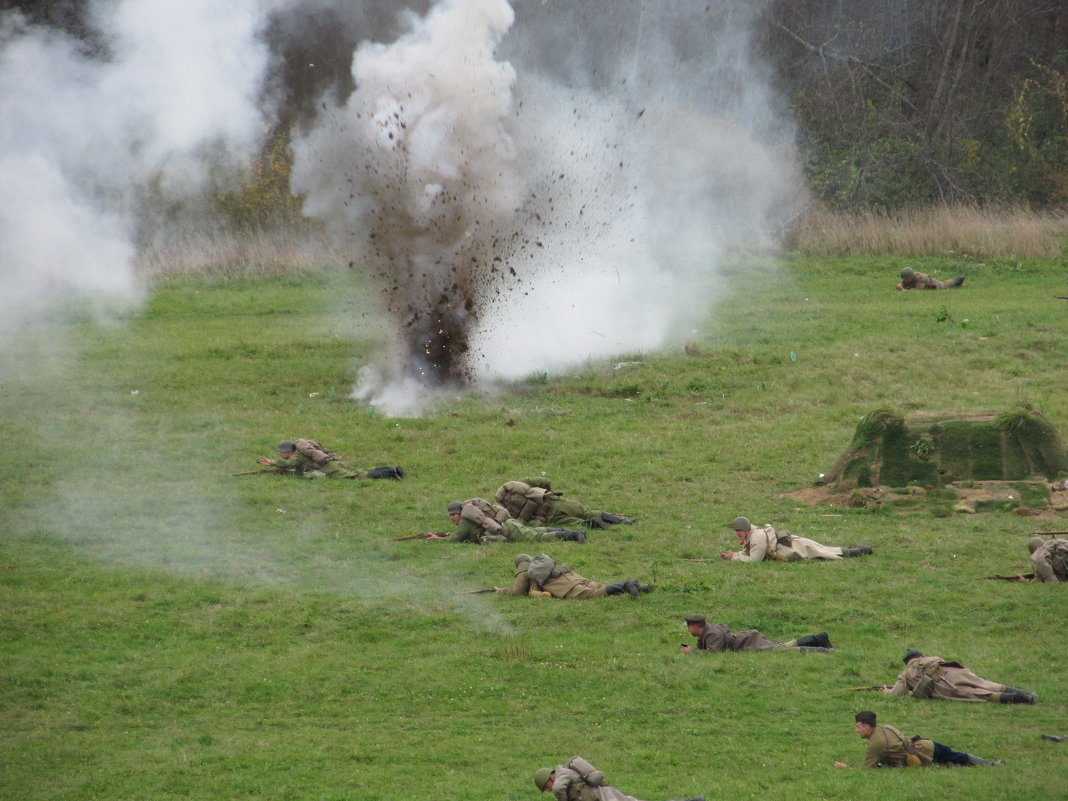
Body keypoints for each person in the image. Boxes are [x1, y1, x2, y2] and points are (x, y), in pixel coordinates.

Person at [834, 710, 1001, 768]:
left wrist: (846, 767)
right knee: (955, 758)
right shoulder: (885, 728)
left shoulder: (875, 744)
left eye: (857, 727)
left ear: (866, 727)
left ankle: (992, 765)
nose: (856, 730)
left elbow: (865, 771)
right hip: (925, 745)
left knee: (957, 758)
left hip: (925, 752)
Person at [886, 649, 1035, 703]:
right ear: (921, 656)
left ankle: (1022, 699)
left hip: (944, 684)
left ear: (907, 662)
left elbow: (895, 694)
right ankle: (1026, 693)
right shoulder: (933, 658)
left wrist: (887, 691)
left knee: (979, 695)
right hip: (957, 671)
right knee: (987, 684)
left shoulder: (906, 673)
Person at [533, 756, 704, 801]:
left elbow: (557, 789)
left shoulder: (562, 774)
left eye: (545, 787)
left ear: (549, 778)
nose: (549, 790)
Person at [495, 553, 652, 599]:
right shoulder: (543, 564)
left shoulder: (524, 571)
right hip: (571, 577)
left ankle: (626, 585)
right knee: (599, 587)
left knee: (592, 595)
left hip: (564, 585)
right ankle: (638, 587)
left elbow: (517, 591)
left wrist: (499, 590)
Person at [495, 480, 635, 529]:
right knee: (588, 512)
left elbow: (524, 523)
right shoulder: (522, 484)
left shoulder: (508, 512)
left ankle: (601, 525)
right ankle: (623, 521)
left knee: (580, 522)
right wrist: (547, 492)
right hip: (556, 502)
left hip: (551, 518)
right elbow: (544, 481)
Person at [720, 517, 872, 562]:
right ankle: (858, 550)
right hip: (793, 545)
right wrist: (734, 556)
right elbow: (750, 552)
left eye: (739, 530)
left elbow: (754, 560)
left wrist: (735, 558)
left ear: (746, 529)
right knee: (826, 551)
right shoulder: (752, 535)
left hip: (795, 547)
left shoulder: (757, 537)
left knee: (826, 553)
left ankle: (862, 551)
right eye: (736, 531)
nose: (738, 533)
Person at [434, 500, 586, 544]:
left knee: (537, 537)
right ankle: (567, 532)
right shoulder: (474, 513)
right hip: (509, 523)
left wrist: (434, 539)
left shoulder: (466, 520)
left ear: (460, 513)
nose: (452, 517)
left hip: (509, 529)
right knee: (537, 532)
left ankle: (573, 536)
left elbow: (455, 539)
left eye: (454, 514)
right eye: (450, 515)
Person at [680, 614, 833, 653]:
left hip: (749, 643)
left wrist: (692, 652)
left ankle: (823, 652)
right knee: (782, 646)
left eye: (689, 626)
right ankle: (817, 639)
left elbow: (713, 654)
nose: (688, 629)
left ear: (695, 626)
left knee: (783, 651)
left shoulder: (712, 634)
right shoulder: (706, 631)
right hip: (749, 639)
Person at [257, 439, 404, 479]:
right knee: (362, 470)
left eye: (282, 453)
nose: (281, 455)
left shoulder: (297, 455)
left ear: (287, 452)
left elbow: (289, 463)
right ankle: (391, 470)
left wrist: (272, 463)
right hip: (333, 463)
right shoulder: (301, 453)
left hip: (331, 469)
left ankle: (391, 472)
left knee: (361, 476)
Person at [896, 266, 965, 290]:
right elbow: (904, 285)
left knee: (945, 284)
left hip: (934, 284)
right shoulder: (907, 278)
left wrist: (905, 291)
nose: (905, 281)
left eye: (906, 279)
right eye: (904, 279)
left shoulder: (920, 278)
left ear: (911, 277)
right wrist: (899, 287)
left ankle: (958, 279)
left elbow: (918, 290)